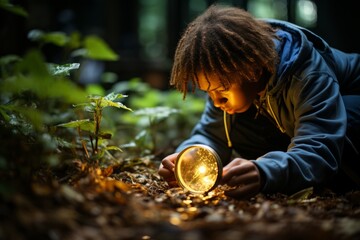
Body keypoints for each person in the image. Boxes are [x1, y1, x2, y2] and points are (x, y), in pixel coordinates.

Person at [158, 4, 360, 199]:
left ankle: (342, 186)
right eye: (208, 92)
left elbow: (319, 145)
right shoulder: (227, 74)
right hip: (296, 126)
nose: (216, 101)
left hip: (350, 108)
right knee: (240, 123)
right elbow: (211, 134)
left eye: (221, 91)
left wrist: (265, 172)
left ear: (252, 70)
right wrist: (187, 157)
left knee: (347, 118)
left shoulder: (307, 75)